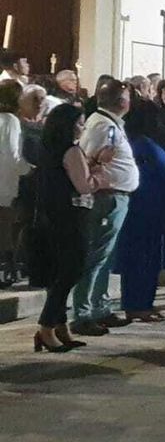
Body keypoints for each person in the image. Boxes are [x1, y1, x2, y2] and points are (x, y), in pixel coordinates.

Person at [71, 79, 137, 336]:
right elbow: (85, 159)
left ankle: (100, 306)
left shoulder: (109, 124)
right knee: (95, 256)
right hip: (107, 196)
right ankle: (83, 312)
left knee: (105, 256)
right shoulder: (102, 125)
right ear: (122, 102)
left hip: (116, 196)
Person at [32, 105, 92, 352]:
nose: (83, 127)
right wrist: (101, 176)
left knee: (61, 271)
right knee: (72, 270)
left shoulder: (47, 150)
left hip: (52, 216)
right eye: (79, 123)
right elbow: (84, 185)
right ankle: (46, 327)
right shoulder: (71, 151)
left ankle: (60, 325)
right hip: (70, 216)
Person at [114, 99, 165, 322]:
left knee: (145, 259)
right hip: (146, 209)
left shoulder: (136, 143)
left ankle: (143, 303)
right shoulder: (145, 146)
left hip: (147, 208)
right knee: (142, 259)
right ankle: (137, 304)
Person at [0, 81, 34, 285]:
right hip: (4, 182)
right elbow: (13, 155)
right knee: (6, 228)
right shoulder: (10, 121)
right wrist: (29, 170)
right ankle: (6, 270)